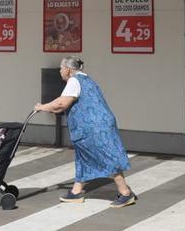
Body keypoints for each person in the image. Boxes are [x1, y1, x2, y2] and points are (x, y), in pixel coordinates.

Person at [34, 56, 136, 207]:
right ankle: (76, 191)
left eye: (61, 68)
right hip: (95, 125)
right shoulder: (86, 79)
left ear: (68, 69)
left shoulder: (74, 81)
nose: (60, 71)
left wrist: (42, 107)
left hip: (94, 127)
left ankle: (125, 192)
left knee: (107, 157)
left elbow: (62, 104)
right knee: (83, 156)